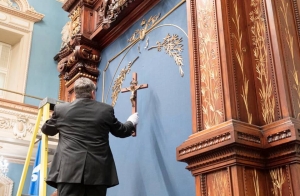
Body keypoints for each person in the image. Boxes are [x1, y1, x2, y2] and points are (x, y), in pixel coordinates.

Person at [41, 77, 138, 196]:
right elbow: (121, 131)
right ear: (93, 93)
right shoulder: (105, 110)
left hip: (68, 173)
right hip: (97, 174)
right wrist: (131, 122)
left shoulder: (62, 110)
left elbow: (47, 130)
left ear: (75, 94)